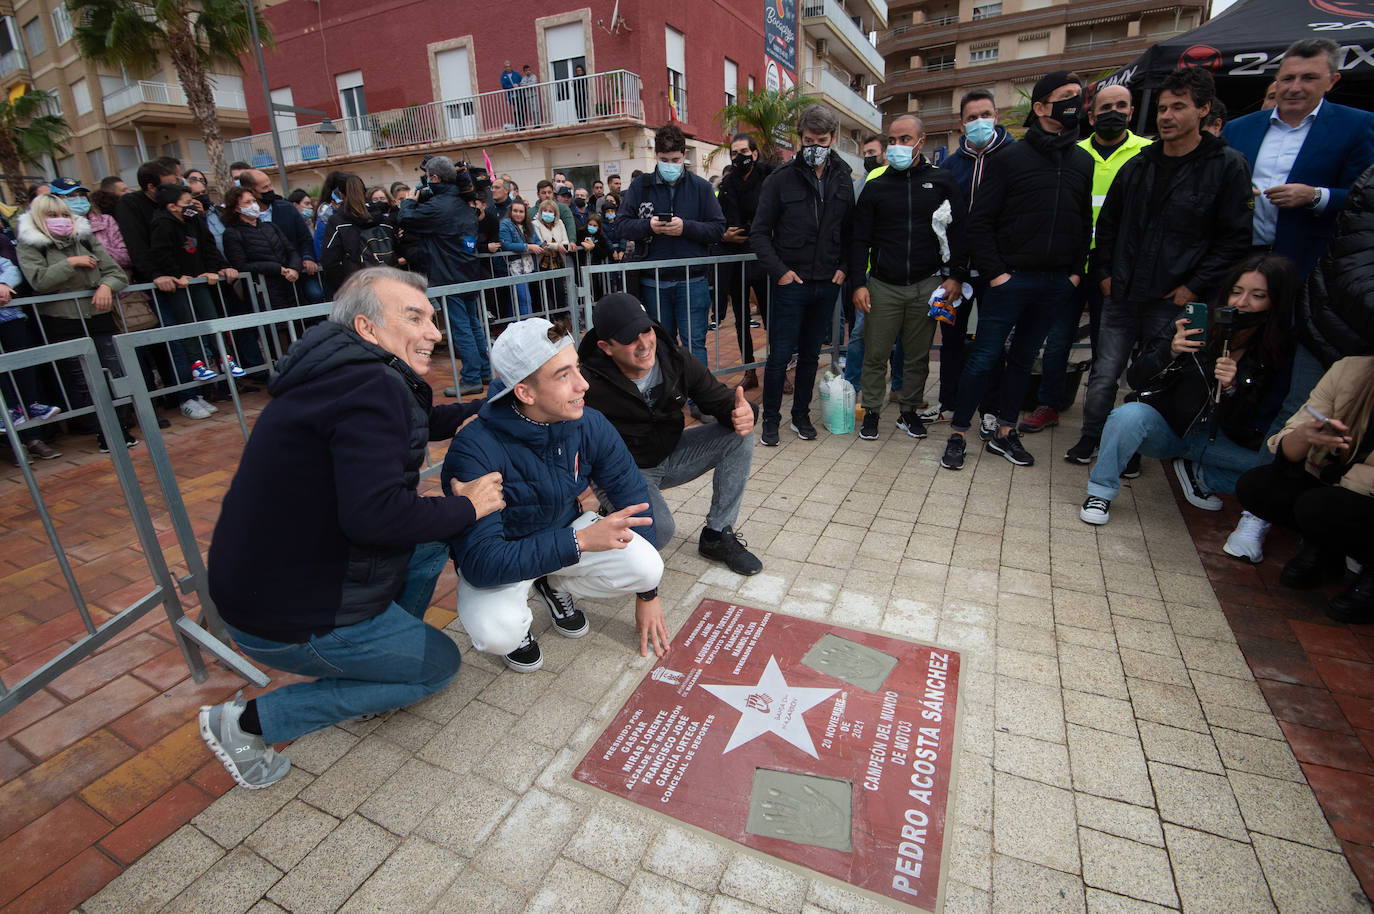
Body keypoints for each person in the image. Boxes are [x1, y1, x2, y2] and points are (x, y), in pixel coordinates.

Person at [199, 268, 501, 789]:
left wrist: (486, 409)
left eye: (431, 319)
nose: (434, 332)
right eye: (414, 317)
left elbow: (411, 425)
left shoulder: (345, 373)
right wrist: (469, 507)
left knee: (429, 540)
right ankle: (247, 725)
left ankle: (377, 657)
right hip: (290, 614)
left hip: (261, 591)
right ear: (366, 327)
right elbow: (376, 516)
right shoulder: (370, 387)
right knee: (438, 666)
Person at [442, 316, 668, 672]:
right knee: (496, 632)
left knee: (648, 565)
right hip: (508, 554)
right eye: (564, 375)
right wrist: (578, 543)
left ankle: (553, 583)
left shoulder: (587, 421)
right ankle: (521, 624)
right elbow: (482, 562)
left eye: (577, 368)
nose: (583, 385)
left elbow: (631, 497)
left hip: (562, 532)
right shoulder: (473, 450)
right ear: (524, 392)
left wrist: (648, 593)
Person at [1069, 67, 1255, 466]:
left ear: (1203, 109)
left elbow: (1235, 239)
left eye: (1179, 107)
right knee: (1104, 371)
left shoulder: (1226, 165)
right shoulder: (1140, 164)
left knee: (1156, 373)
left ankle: (1132, 444)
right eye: (1163, 108)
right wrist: (1103, 274)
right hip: (1122, 291)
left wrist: (1195, 286)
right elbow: (1109, 225)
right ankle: (1090, 436)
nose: (1167, 116)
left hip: (1174, 297)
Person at [1224, 37, 1374, 446]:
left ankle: (1273, 438)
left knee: (1286, 352)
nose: (1294, 87)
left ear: (1332, 81)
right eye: (1288, 77)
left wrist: (1317, 196)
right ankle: (1220, 420)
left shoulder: (1356, 125)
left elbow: (1365, 196)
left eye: (1309, 78)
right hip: (1243, 259)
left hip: (1306, 265)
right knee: (1233, 342)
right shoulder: (1241, 128)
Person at [941, 72, 1092, 471]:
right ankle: (958, 433)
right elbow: (981, 222)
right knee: (984, 357)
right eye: (1065, 98)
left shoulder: (1082, 161)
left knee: (1024, 360)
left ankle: (1006, 432)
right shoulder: (1010, 158)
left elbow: (1083, 223)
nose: (1075, 104)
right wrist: (997, 275)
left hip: (1056, 282)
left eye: (1078, 97)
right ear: (1040, 108)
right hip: (1010, 280)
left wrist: (1075, 273)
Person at [1080, 254, 1296, 528]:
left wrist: (1234, 387)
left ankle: (1201, 476)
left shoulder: (1277, 345)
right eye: (1237, 291)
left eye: (1258, 295)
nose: (1241, 303)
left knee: (1277, 471)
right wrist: (1170, 351)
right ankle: (1100, 493)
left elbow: (1254, 418)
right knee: (1127, 417)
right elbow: (1136, 377)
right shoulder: (1198, 319)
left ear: (1275, 300)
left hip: (1222, 439)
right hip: (1172, 429)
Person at [579, 292, 762, 573]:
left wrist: (743, 412)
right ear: (606, 347)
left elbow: (720, 400)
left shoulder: (674, 359)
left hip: (670, 452)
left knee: (739, 435)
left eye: (646, 330)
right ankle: (603, 528)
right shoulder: (587, 382)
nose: (644, 344)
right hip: (623, 472)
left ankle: (716, 535)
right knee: (660, 532)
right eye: (630, 339)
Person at [1019, 83, 1150, 436]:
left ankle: (1101, 417)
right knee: (1058, 341)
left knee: (1107, 350)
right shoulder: (1071, 152)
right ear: (1090, 115)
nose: (1114, 113)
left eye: (1121, 106)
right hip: (1070, 267)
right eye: (1105, 107)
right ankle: (1050, 404)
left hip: (1116, 270)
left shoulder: (1148, 153)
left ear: (1132, 111)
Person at [851, 114, 967, 442]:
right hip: (883, 285)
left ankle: (909, 411)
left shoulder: (942, 182)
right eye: (893, 140)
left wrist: (955, 276)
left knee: (917, 355)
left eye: (905, 139)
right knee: (876, 352)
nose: (897, 146)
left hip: (926, 284)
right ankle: (871, 412)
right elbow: (860, 240)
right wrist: (859, 283)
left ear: (921, 140)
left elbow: (959, 232)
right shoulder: (875, 186)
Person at [1233, 355, 1374, 620]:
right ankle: (1325, 549)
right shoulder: (1351, 368)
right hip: (1334, 480)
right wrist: (1305, 435)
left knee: (1322, 504)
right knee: (1258, 486)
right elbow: (1290, 437)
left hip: (1361, 492)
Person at [750, 105, 853, 446]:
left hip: (826, 283)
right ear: (799, 138)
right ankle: (770, 420)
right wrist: (780, 273)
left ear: (832, 139)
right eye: (808, 140)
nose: (814, 146)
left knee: (811, 355)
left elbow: (851, 229)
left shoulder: (843, 177)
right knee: (780, 355)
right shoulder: (779, 179)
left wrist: (843, 268)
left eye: (821, 140)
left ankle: (800, 416)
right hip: (790, 284)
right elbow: (759, 233)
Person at [16, 193, 134, 452]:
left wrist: (105, 286)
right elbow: (40, 281)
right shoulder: (30, 245)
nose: (60, 220)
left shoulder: (85, 237)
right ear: (38, 218)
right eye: (51, 215)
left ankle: (122, 427)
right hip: (63, 322)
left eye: (63, 214)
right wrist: (71, 263)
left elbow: (115, 273)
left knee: (115, 372)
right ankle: (104, 433)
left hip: (100, 318)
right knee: (83, 382)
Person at [937, 89, 1018, 428]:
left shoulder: (1015, 157)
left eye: (986, 114)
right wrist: (952, 269)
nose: (979, 122)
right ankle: (949, 403)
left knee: (992, 343)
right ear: (962, 124)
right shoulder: (950, 165)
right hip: (956, 271)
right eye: (972, 117)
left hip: (998, 271)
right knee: (951, 340)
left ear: (996, 116)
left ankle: (990, 408)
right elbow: (943, 219)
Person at [618, 124, 727, 370]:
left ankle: (698, 399)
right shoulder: (640, 186)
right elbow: (622, 225)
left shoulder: (700, 187)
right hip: (653, 281)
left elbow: (718, 228)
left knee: (694, 345)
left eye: (675, 159)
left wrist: (685, 227)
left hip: (692, 280)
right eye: (664, 159)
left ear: (684, 156)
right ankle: (669, 398)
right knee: (660, 344)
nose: (670, 164)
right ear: (655, 156)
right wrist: (649, 226)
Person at [396, 156, 489, 396]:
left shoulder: (439, 206)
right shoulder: (463, 202)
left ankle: (471, 377)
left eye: (428, 177)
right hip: (467, 272)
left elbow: (406, 219)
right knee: (473, 324)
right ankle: (484, 370)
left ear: (435, 178)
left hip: (450, 276)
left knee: (462, 328)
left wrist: (408, 202)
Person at [148, 183, 242, 418]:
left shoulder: (195, 221)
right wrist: (176, 275)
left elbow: (208, 247)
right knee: (188, 327)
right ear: (172, 206)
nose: (193, 205)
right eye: (187, 202)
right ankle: (197, 365)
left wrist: (212, 270)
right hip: (180, 285)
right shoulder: (162, 224)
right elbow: (161, 253)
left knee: (212, 320)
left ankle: (224, 359)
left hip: (200, 281)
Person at [717, 132, 773, 390]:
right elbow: (719, 219)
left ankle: (777, 369)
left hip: (764, 257)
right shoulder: (726, 184)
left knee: (771, 317)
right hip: (736, 258)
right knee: (740, 319)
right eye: (734, 153)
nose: (739, 158)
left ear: (755, 153)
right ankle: (749, 370)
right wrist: (725, 234)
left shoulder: (770, 177)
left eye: (743, 152)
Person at [244, 170, 323, 303]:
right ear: (251, 190)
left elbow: (304, 237)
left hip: (298, 271)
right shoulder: (245, 218)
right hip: (269, 280)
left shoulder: (286, 208)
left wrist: (307, 257)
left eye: (270, 185)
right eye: (264, 188)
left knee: (314, 295)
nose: (270, 190)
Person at [220, 186, 303, 310]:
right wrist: (276, 269)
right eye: (247, 202)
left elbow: (291, 250)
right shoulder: (232, 233)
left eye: (254, 201)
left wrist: (294, 268)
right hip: (262, 291)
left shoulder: (271, 227)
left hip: (290, 286)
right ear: (236, 208)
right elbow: (241, 265)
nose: (253, 205)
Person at [320, 175, 397, 295]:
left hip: (356, 288)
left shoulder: (337, 222)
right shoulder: (382, 218)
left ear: (340, 195)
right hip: (387, 283)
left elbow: (329, 261)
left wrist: (344, 286)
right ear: (365, 192)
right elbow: (397, 247)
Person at [499, 199, 540, 316]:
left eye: (521, 211)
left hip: (528, 266)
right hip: (513, 267)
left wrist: (542, 245)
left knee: (519, 300)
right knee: (524, 299)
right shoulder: (505, 224)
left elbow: (537, 240)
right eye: (515, 211)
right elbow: (506, 244)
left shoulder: (529, 225)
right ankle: (527, 326)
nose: (518, 214)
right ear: (510, 211)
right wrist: (528, 246)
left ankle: (515, 326)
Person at [502, 60, 525, 127]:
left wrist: (518, 85)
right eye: (506, 67)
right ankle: (518, 124)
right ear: (504, 68)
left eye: (509, 66)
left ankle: (522, 124)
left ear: (511, 67)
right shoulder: (503, 76)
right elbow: (504, 85)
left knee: (521, 108)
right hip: (511, 96)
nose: (508, 68)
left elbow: (522, 81)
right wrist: (512, 86)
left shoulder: (516, 74)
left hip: (519, 95)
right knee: (518, 108)